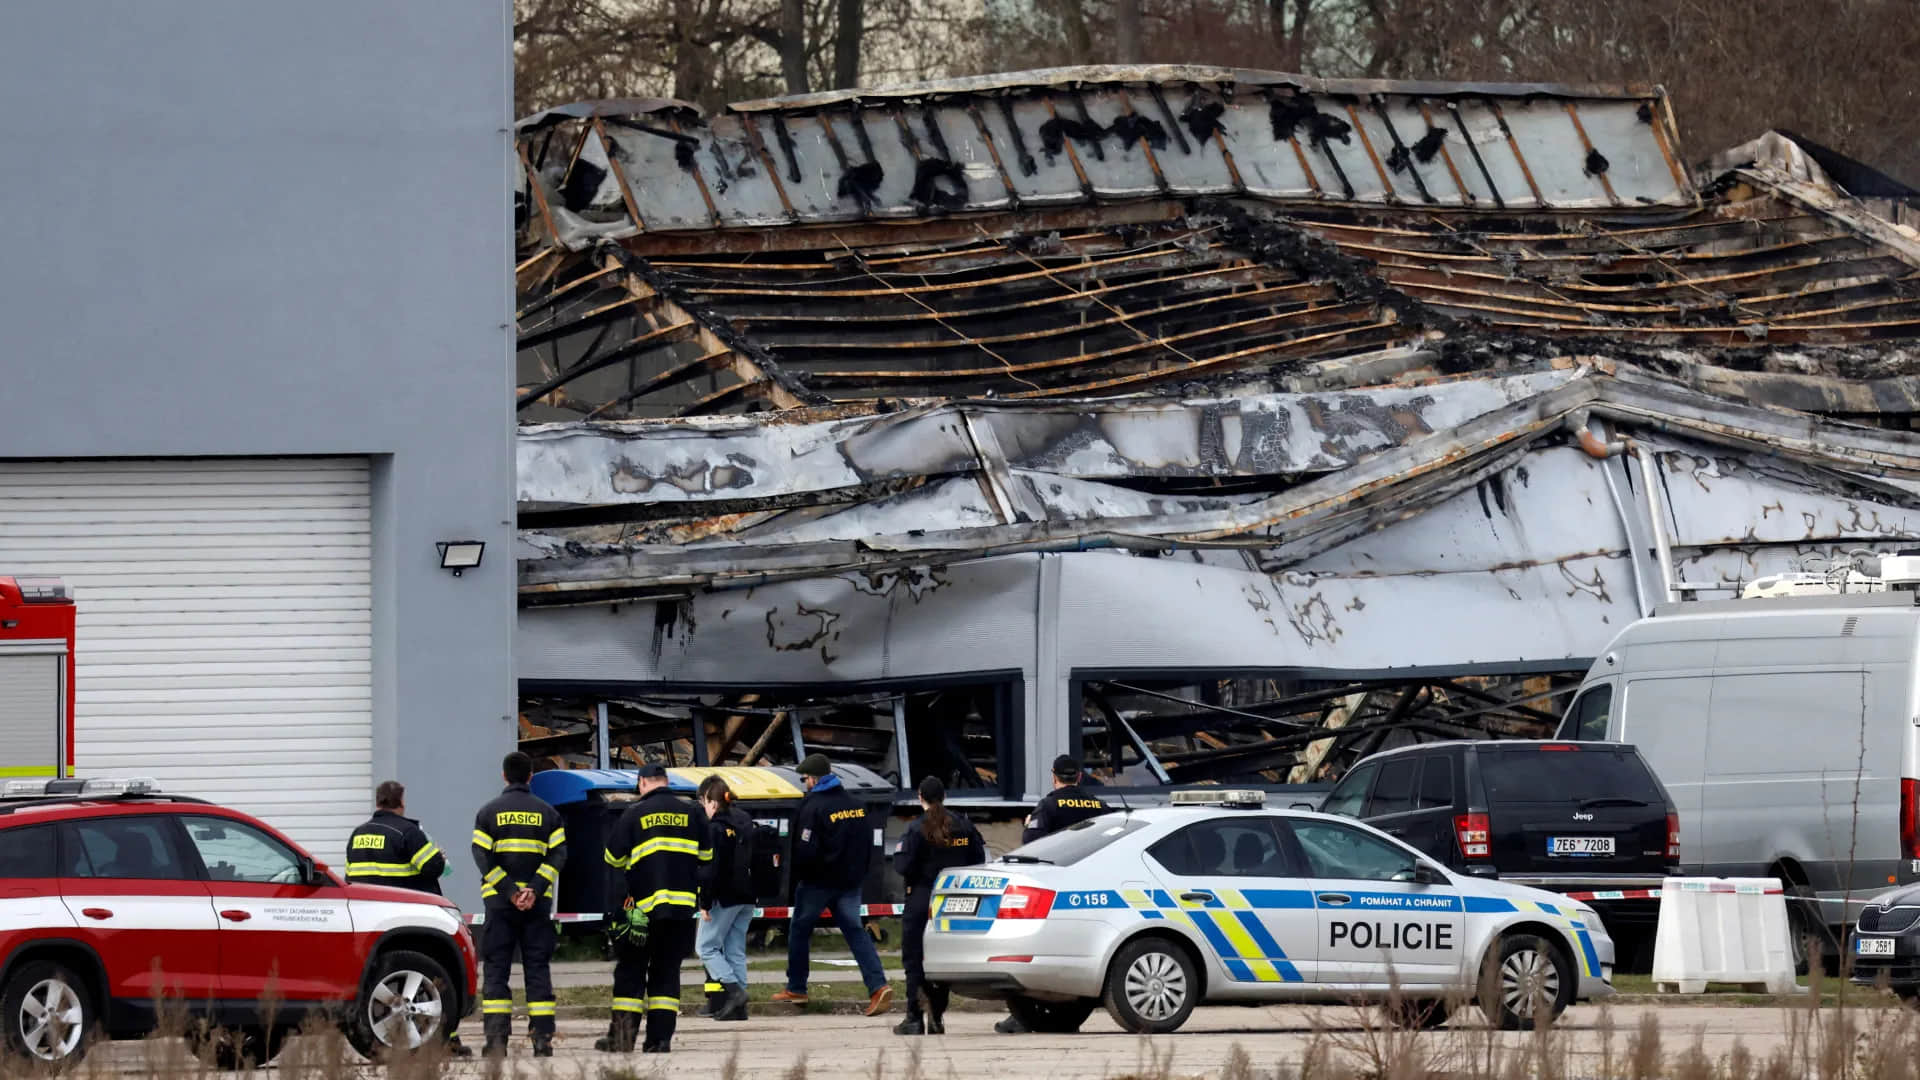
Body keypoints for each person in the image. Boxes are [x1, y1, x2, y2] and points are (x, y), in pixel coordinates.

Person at [346, 781, 471, 1056]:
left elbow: (350, 877)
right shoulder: (408, 831)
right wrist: (438, 855)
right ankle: (441, 1039)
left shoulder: (358, 834)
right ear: (400, 802)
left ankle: (391, 1036)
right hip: (407, 916)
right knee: (432, 979)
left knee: (385, 982)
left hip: (369, 918)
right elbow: (433, 867)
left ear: (378, 802)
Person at [997, 754, 1115, 1034]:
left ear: (1054, 776)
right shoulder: (1100, 806)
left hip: (1056, 889)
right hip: (1094, 890)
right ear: (1079, 776)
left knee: (1038, 952)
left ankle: (1024, 1014)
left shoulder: (1049, 805)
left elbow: (1030, 844)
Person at [597, 762, 711, 1054]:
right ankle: (659, 1040)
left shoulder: (633, 813)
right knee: (667, 972)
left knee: (631, 972)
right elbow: (707, 857)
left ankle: (622, 1040)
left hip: (642, 912)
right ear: (666, 781)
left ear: (642, 783)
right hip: (681, 911)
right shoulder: (694, 812)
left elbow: (612, 859)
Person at [770, 754, 894, 1016]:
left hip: (818, 883)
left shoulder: (813, 807)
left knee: (799, 930)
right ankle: (878, 986)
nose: (805, 784)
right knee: (855, 932)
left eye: (805, 779)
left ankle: (797, 988)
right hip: (850, 883)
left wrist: (799, 880)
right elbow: (867, 846)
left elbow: (805, 850)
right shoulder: (857, 805)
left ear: (814, 778)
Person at [471, 752, 567, 1058]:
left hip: (499, 905)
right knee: (537, 968)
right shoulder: (549, 813)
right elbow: (559, 855)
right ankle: (542, 1040)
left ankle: (496, 1041)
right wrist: (534, 890)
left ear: (503, 776)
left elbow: (481, 856)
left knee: (497, 970)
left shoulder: (488, 813)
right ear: (530, 777)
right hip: (537, 906)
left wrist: (510, 891)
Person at [892, 776, 984, 1036]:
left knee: (915, 959)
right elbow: (978, 859)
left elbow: (902, 866)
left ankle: (913, 1018)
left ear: (920, 796)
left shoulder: (916, 828)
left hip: (923, 898)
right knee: (940, 961)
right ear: (944, 796)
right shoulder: (964, 826)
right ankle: (936, 1017)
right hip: (954, 900)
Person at [694, 775, 754, 1023]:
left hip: (724, 897)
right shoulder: (743, 820)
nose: (702, 808)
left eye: (703, 802)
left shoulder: (714, 829)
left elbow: (711, 870)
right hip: (748, 894)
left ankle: (735, 992)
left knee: (705, 947)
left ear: (712, 802)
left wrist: (705, 903)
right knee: (734, 950)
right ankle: (738, 1009)